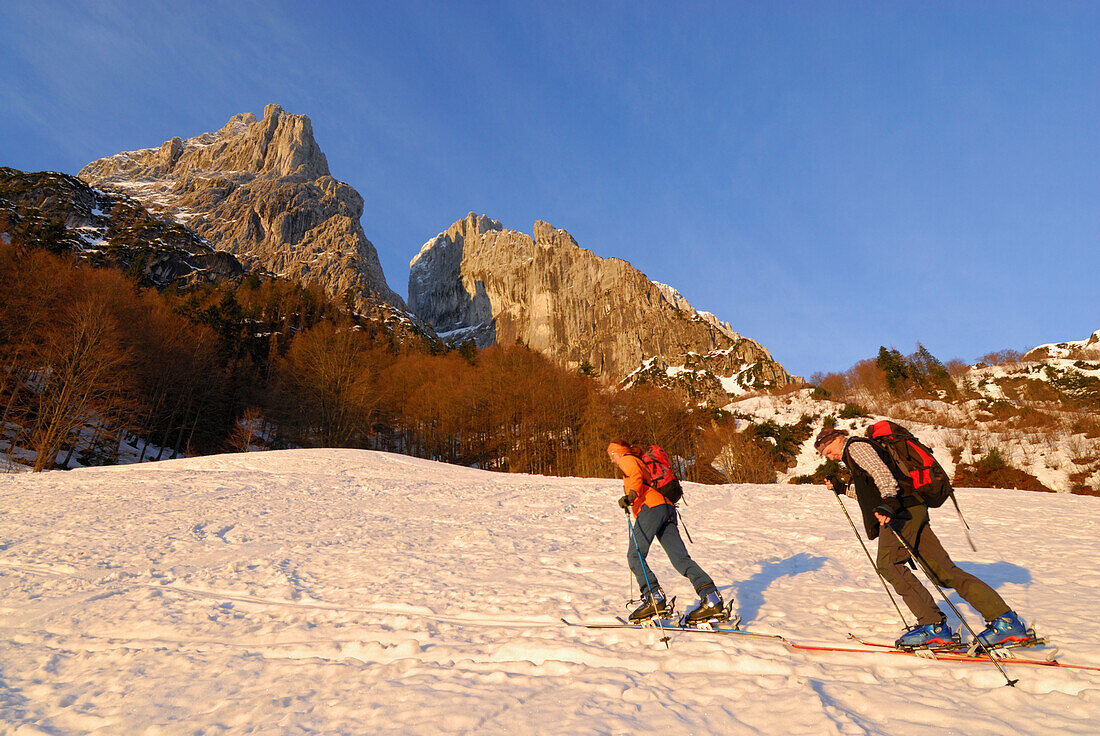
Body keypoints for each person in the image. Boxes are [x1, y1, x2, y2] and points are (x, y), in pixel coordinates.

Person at [814, 427, 1030, 650]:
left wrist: (889, 502)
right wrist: (842, 488)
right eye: (826, 455)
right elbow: (872, 490)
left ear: (839, 439)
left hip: (901, 512)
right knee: (943, 571)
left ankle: (932, 626)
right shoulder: (855, 454)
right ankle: (1005, 621)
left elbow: (882, 475)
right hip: (912, 508)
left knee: (888, 564)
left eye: (830, 451)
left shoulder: (856, 447)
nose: (831, 457)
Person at [606, 439, 725, 623]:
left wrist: (631, 496)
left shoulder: (627, 459)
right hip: (667, 508)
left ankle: (654, 597)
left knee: (635, 555)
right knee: (681, 559)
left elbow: (636, 475)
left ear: (617, 452)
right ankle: (711, 598)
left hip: (651, 508)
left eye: (611, 455)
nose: (611, 460)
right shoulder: (638, 460)